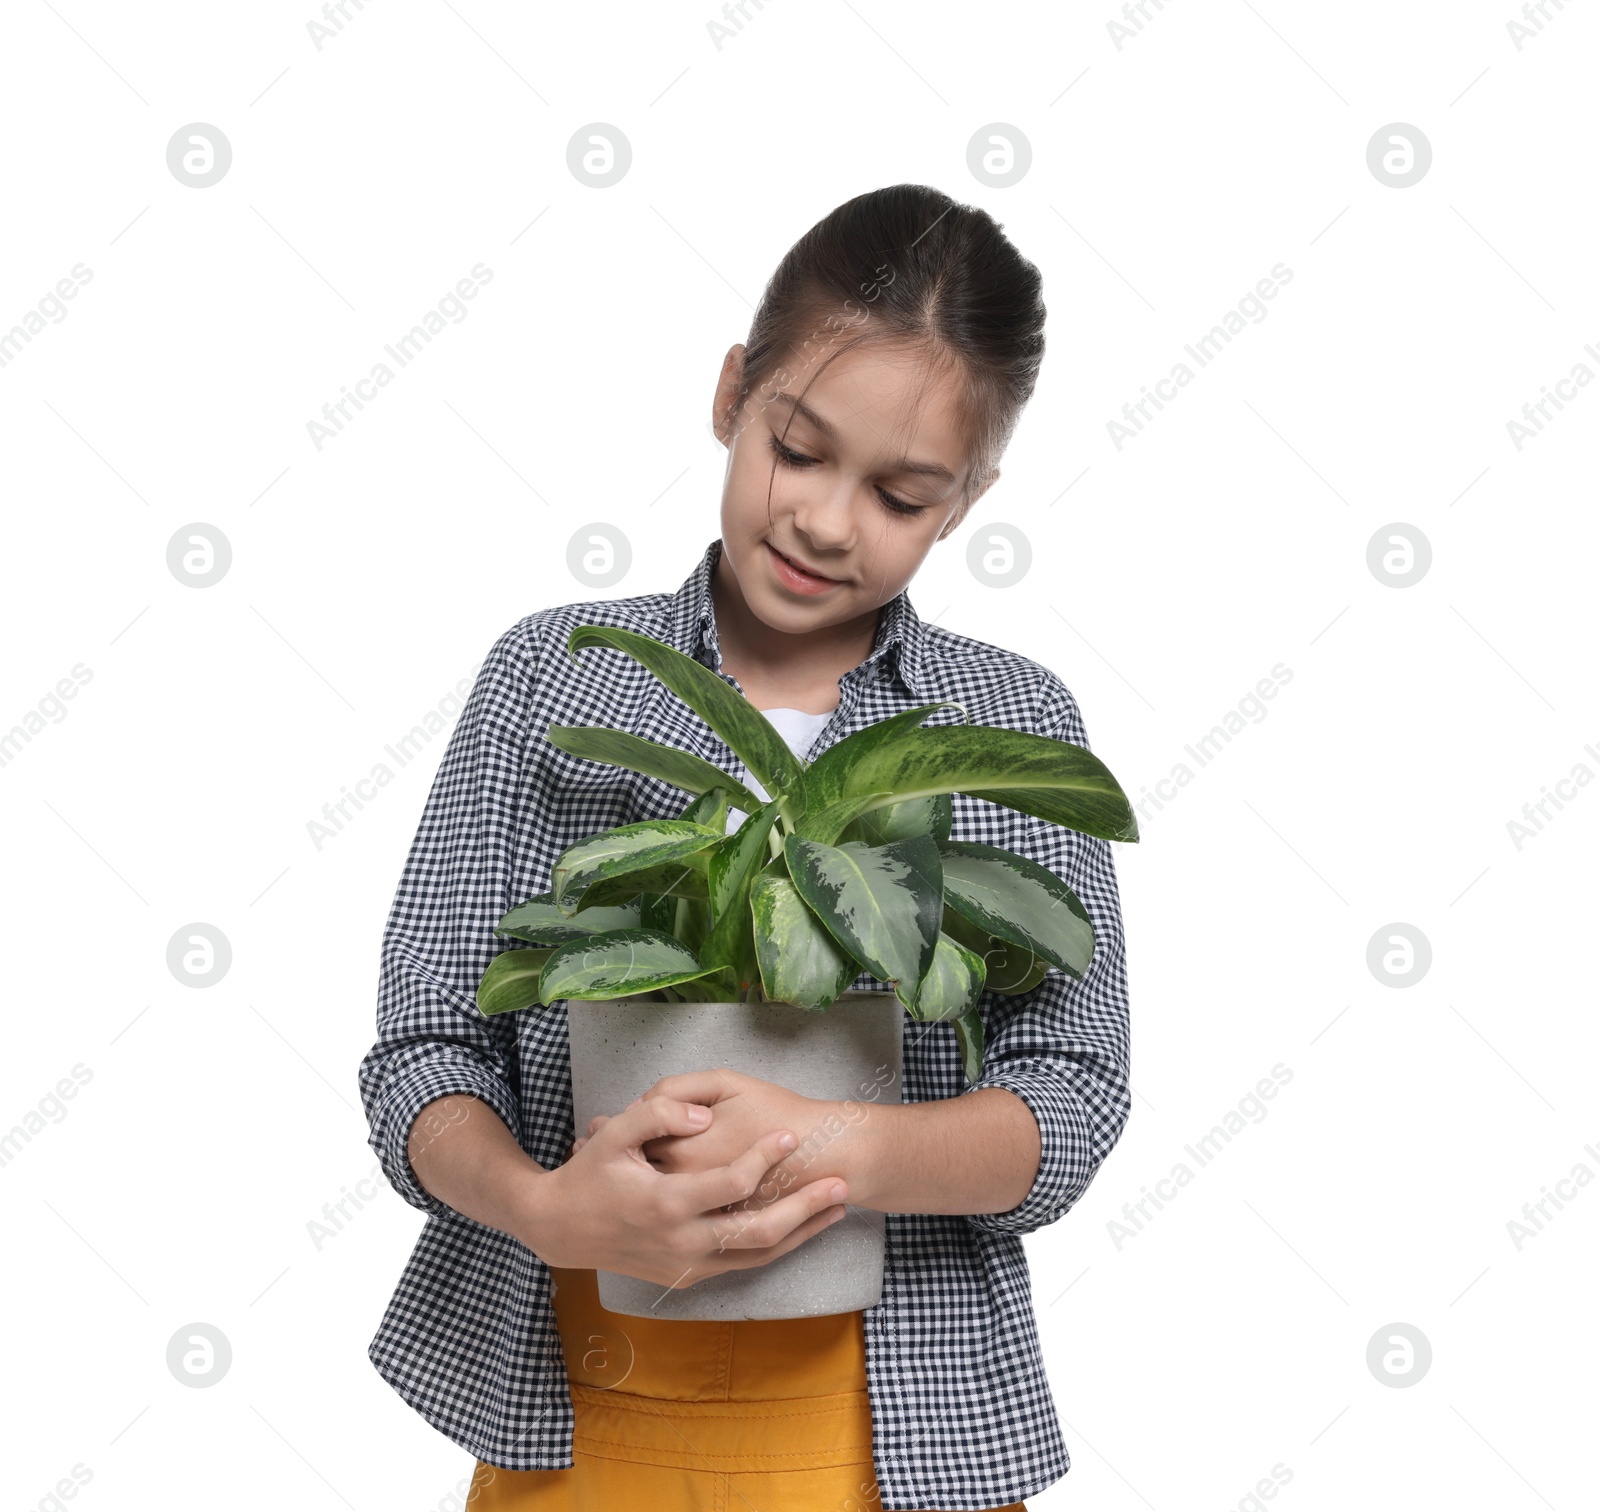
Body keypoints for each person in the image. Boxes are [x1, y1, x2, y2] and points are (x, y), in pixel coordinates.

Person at [358, 182, 1132, 1512]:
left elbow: (1072, 1095)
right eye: (799, 448)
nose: (829, 521)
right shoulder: (555, 680)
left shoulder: (1002, 723)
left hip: (898, 1430)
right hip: (577, 1403)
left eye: (900, 493)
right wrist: (548, 1208)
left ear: (966, 500)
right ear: (732, 394)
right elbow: (424, 1052)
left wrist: (842, 1144)